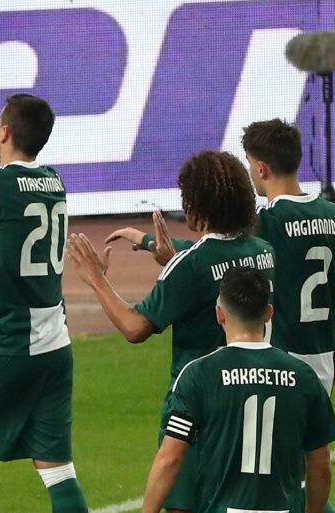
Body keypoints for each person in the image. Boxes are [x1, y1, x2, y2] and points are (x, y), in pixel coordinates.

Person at [68, 150, 276, 513]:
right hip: (249, 400)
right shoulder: (263, 252)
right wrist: (149, 241)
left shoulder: (190, 266)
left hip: (196, 408)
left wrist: (96, 279)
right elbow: (216, 260)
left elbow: (135, 327)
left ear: (196, 204)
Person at [109, 119, 335, 394]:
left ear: (261, 169)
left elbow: (214, 252)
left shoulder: (267, 221)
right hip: (322, 362)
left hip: (277, 366)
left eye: (249, 163)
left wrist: (146, 240)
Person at [141, 267, 335, 513]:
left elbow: (170, 458)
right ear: (269, 313)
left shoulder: (198, 375)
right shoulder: (304, 377)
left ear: (219, 314)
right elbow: (320, 462)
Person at [0, 94, 89, 512]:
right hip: (54, 345)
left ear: (5, 132)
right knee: (58, 468)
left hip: (4, 341)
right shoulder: (54, 181)